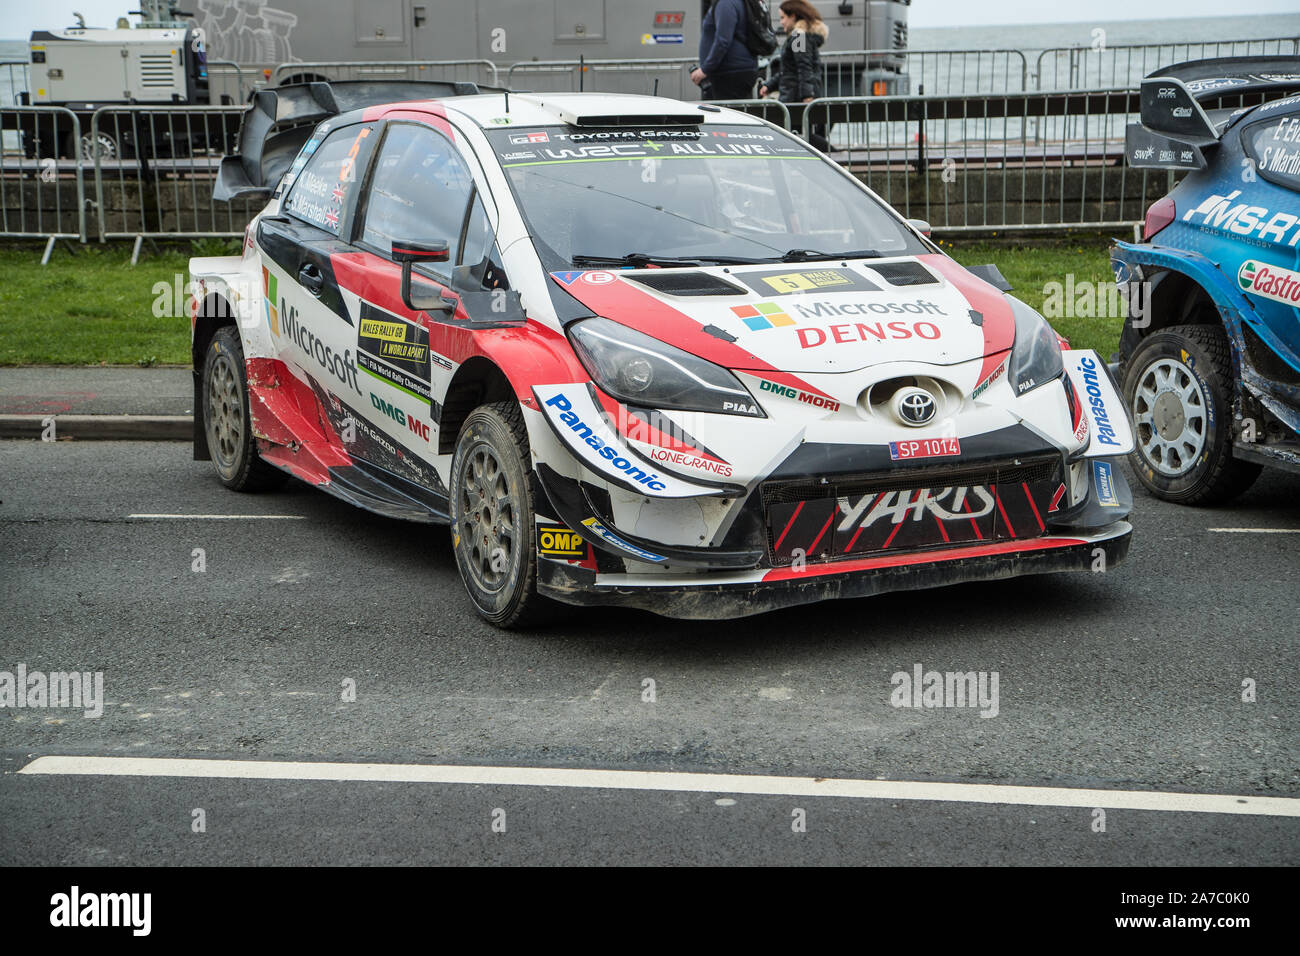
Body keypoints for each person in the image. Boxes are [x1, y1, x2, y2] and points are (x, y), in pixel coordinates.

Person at [758, 0, 830, 150]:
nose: (781, 22)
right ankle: (834, 155)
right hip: (796, 93)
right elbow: (790, 69)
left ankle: (836, 155)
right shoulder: (800, 36)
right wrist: (770, 85)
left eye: (783, 17)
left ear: (794, 16)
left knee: (795, 136)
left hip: (795, 95)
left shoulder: (799, 37)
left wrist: (807, 95)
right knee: (797, 136)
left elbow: (803, 67)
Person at [691, 0, 759, 101]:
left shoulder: (725, 3)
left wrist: (705, 69)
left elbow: (723, 41)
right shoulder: (737, 2)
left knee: (729, 113)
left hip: (730, 74)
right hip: (738, 70)